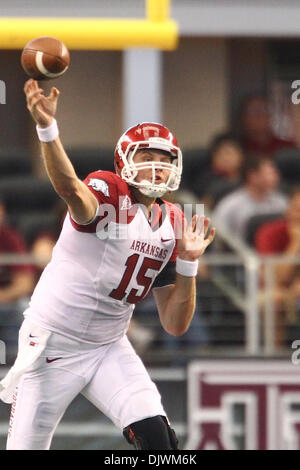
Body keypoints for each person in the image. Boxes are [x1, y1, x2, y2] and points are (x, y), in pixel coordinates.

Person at [0, 79, 215, 450]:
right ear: (125, 162)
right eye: (147, 158)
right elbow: (70, 188)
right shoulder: (110, 194)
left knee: (160, 444)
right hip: (53, 343)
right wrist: (47, 127)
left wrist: (189, 265)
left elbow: (175, 323)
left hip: (108, 346)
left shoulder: (174, 222)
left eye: (164, 161)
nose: (157, 168)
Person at [255, 187, 300, 341]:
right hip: (272, 290)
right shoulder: (269, 232)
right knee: (275, 300)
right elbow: (275, 278)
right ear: (288, 210)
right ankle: (275, 358)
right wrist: (295, 243)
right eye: (297, 210)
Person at [212, 157, 288, 240]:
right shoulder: (231, 204)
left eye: (275, 173)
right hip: (239, 251)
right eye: (270, 173)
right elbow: (217, 233)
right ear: (252, 176)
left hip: (274, 251)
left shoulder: (281, 201)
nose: (275, 178)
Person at [0, 198, 34, 305]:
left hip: (6, 302)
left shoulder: (11, 238)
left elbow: (25, 284)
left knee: (24, 305)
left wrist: (2, 296)